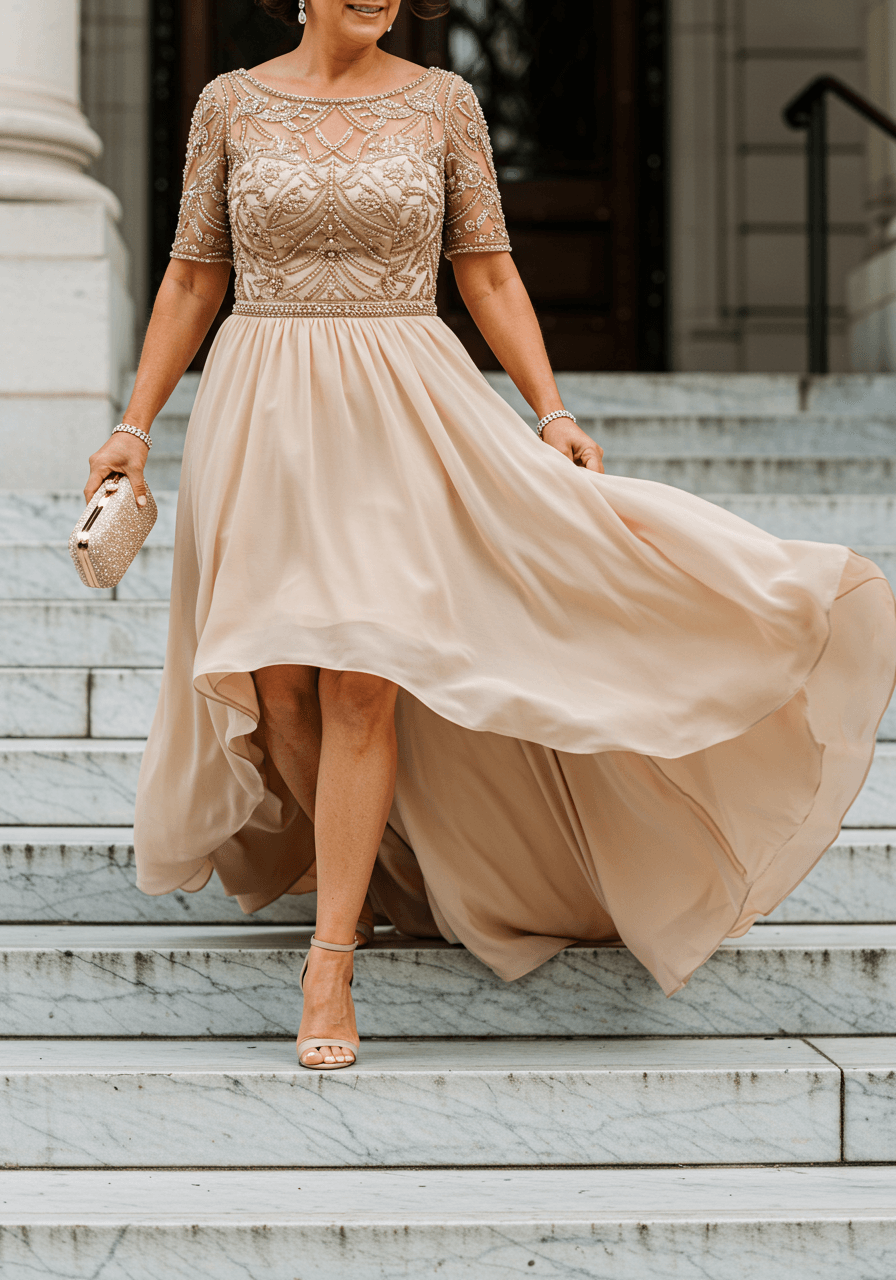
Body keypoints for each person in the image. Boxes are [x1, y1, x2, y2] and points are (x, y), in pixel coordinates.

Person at [85, 0, 896, 1072]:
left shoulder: (445, 102)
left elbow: (487, 270)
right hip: (262, 409)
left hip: (400, 406)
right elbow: (194, 275)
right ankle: (367, 873)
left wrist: (550, 410)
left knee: (361, 675)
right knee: (276, 687)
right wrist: (133, 428)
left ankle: (330, 960)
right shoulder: (228, 103)